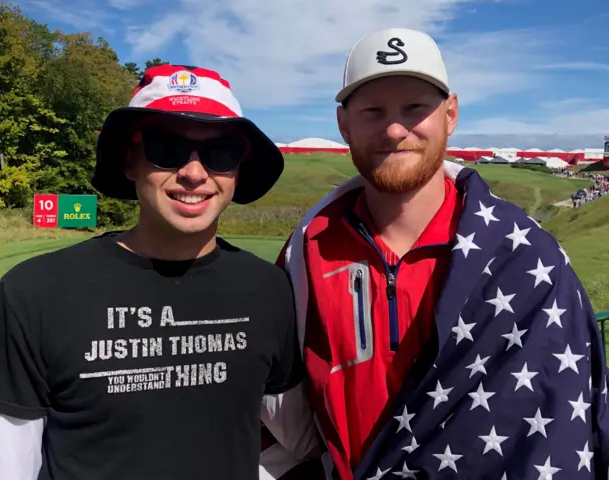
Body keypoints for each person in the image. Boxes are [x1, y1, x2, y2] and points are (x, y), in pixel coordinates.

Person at [260, 28, 609, 479]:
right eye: (372, 110)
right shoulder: (305, 253)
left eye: (414, 108)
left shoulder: (526, 258)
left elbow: (566, 417)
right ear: (343, 124)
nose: (393, 129)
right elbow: (291, 419)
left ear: (450, 115)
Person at [0, 64, 320, 479]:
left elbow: (301, 439)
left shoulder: (266, 289)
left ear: (237, 170)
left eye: (221, 152)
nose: (193, 172)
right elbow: (6, 469)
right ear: (129, 160)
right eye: (166, 146)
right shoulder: (35, 293)